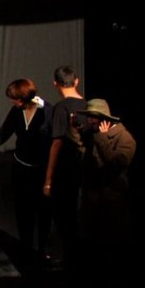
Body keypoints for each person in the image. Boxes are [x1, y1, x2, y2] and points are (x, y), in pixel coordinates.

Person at [0, 79, 50, 260]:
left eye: (14, 99)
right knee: (22, 209)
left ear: (24, 98)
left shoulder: (46, 110)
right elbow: (3, 132)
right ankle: (25, 246)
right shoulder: (17, 111)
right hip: (20, 166)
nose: (12, 102)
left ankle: (43, 249)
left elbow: (53, 139)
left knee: (43, 210)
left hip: (41, 169)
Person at [78, 99, 136, 272]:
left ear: (105, 119)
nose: (90, 121)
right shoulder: (92, 134)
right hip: (92, 195)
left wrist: (103, 139)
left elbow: (116, 163)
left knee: (110, 239)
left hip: (112, 196)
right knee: (90, 237)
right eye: (89, 117)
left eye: (94, 117)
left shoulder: (124, 138)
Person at [45, 65, 86, 268]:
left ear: (56, 84)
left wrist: (48, 178)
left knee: (64, 214)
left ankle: (66, 257)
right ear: (76, 81)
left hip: (66, 168)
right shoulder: (87, 105)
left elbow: (57, 143)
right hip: (86, 167)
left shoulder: (61, 108)